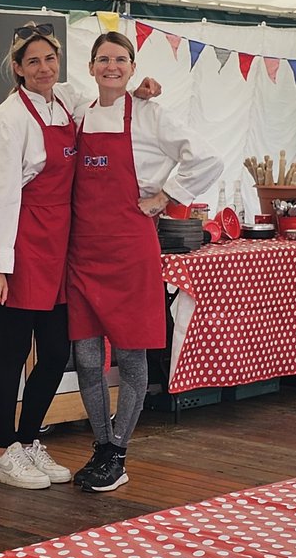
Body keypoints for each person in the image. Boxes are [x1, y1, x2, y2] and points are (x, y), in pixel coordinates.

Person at [0, 22, 160, 490]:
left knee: (58, 352)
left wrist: (139, 87)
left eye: (50, 59)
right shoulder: (7, 119)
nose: (44, 68)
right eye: (33, 61)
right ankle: (3, 449)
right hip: (22, 244)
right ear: (16, 68)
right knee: (13, 352)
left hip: (63, 246)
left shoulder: (66, 101)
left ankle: (28, 439)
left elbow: (107, 96)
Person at [67, 31, 223, 493]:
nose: (111, 66)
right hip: (83, 252)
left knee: (133, 355)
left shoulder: (151, 114)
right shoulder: (79, 112)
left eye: (120, 60)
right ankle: (101, 445)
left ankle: (117, 451)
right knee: (87, 356)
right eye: (102, 59)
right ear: (91, 67)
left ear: (133, 67)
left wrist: (168, 196)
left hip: (130, 249)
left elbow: (208, 158)